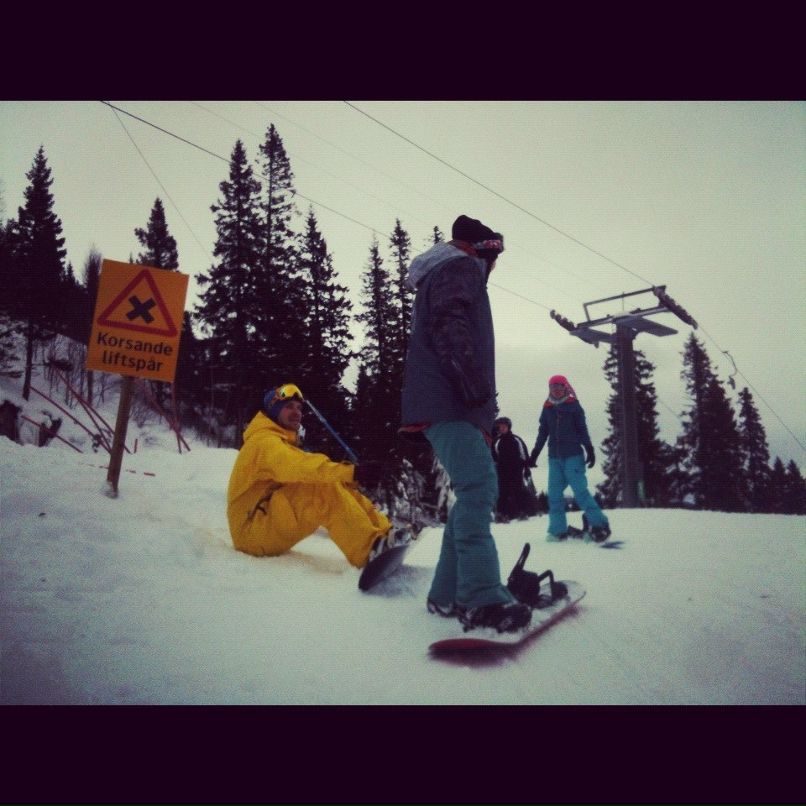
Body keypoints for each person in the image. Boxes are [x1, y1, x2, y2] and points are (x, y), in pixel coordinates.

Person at [400, 214, 532, 634]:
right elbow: (450, 323)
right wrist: (472, 386)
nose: (496, 267)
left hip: (446, 402)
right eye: (496, 257)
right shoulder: (460, 266)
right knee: (479, 489)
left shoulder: (448, 269)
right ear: (484, 250)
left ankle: (446, 594)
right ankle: (479, 598)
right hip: (449, 400)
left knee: (470, 493)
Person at [227, 383, 409, 569]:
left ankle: (385, 533)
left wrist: (348, 476)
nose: (296, 412)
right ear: (274, 411)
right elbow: (300, 467)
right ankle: (369, 551)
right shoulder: (263, 442)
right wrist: (351, 472)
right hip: (251, 532)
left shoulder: (276, 441)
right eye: (288, 407)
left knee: (334, 483)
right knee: (320, 489)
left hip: (263, 521)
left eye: (299, 408)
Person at [528, 375, 611, 542]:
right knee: (555, 495)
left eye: (559, 386)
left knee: (580, 492)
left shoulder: (574, 406)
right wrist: (535, 452)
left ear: (565, 387)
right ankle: (558, 530)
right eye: (553, 387)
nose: (556, 390)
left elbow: (582, 429)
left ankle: (600, 524)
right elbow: (543, 431)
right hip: (554, 458)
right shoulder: (547, 407)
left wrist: (589, 449)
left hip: (573, 455)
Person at [492, 416, 537, 522]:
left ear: (509, 427)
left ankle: (522, 513)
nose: (502, 429)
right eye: (500, 427)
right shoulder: (497, 441)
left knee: (518, 490)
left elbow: (524, 454)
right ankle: (500, 514)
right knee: (503, 492)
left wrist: (526, 468)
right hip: (502, 471)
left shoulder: (516, 439)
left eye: (504, 426)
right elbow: (494, 456)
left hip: (516, 470)